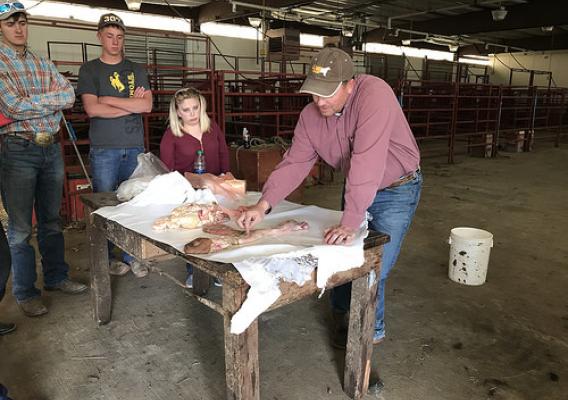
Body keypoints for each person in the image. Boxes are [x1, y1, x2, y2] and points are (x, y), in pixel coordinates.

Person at [237, 47, 422, 348]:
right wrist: (263, 204)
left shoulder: (374, 95)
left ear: (350, 84)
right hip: (357, 186)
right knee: (339, 253)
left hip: (396, 189)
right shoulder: (311, 116)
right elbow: (295, 162)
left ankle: (367, 336)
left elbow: (366, 161)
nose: (319, 101)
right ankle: (341, 313)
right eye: (314, 93)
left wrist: (350, 221)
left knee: (375, 266)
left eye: (327, 93)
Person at [0, 1, 87, 318]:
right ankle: (25, 292)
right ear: (1, 27)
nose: (19, 28)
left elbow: (69, 95)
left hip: (50, 147)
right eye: (11, 23)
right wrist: (50, 103)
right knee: (21, 228)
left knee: (51, 220)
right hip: (18, 149)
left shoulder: (41, 62)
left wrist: (35, 102)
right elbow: (12, 107)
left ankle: (56, 277)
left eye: (22, 21)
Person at [77, 13, 152, 278]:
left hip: (133, 147)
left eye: (119, 37)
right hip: (104, 149)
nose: (115, 41)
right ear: (100, 37)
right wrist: (129, 104)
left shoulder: (136, 69)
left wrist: (108, 99)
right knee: (105, 203)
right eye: (109, 36)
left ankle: (135, 256)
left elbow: (146, 105)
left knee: (135, 202)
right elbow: (92, 109)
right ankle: (108, 257)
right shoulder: (90, 70)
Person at [160, 87, 231, 288]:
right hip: (188, 190)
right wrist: (191, 180)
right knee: (193, 231)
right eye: (186, 110)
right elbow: (168, 170)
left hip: (215, 186)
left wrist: (226, 174)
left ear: (202, 107)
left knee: (219, 228)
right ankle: (194, 271)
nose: (192, 114)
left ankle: (218, 269)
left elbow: (223, 153)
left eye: (195, 108)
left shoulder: (212, 127)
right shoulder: (171, 135)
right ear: (178, 112)